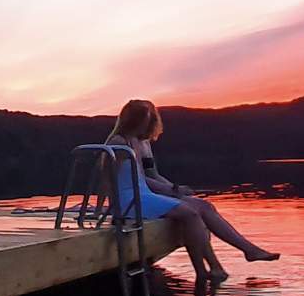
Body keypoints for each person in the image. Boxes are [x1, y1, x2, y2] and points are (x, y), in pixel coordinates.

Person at [102, 99, 279, 282]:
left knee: (204, 206)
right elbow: (108, 177)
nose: (147, 125)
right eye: (144, 121)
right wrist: (112, 208)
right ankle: (202, 272)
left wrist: (174, 190)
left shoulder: (138, 142)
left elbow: (143, 177)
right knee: (190, 214)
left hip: (143, 195)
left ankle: (243, 253)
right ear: (133, 121)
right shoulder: (118, 142)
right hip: (128, 200)